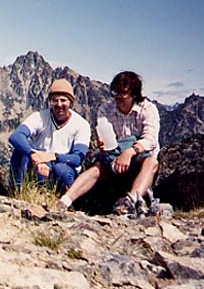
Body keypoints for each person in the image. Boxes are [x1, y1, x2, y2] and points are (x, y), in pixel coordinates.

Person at [58, 71, 160, 218]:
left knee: (152, 162)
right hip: (115, 159)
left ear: (134, 94)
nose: (118, 97)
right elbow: (107, 142)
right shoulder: (106, 110)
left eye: (123, 93)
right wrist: (103, 144)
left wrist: (130, 152)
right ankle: (65, 201)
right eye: (115, 92)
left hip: (139, 160)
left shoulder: (148, 109)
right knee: (97, 167)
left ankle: (129, 202)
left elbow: (150, 140)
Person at [9, 79, 91, 193]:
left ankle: (66, 199)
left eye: (63, 100)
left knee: (60, 169)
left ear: (71, 102)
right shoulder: (40, 117)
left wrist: (53, 157)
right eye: (54, 100)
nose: (59, 105)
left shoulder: (82, 125)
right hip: (39, 165)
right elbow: (16, 136)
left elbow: (77, 158)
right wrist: (35, 157)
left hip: (62, 168)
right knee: (20, 150)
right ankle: (17, 192)